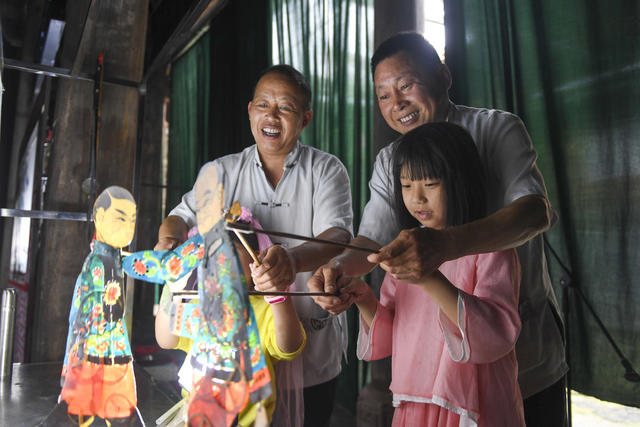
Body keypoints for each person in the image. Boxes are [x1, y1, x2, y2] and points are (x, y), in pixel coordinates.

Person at [309, 32, 567, 426]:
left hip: (525, 357)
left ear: (444, 76)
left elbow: (534, 212)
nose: (396, 105)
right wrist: (338, 271)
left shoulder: (496, 130)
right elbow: (372, 242)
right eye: (383, 95)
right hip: (436, 383)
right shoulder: (390, 159)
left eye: (406, 85)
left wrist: (445, 245)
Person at [156, 64, 353, 427]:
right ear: (250, 111)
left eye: (286, 107)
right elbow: (179, 218)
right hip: (231, 360)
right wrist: (169, 244)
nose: (272, 115)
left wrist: (290, 261)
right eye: (263, 104)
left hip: (306, 340)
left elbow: (338, 236)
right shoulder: (220, 172)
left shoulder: (326, 170)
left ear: (306, 117)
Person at [342, 122, 524, 425]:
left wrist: (427, 277)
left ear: (460, 181)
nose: (417, 198)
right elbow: (392, 332)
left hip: (473, 404)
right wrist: (363, 299)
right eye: (407, 185)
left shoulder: (491, 247)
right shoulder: (407, 245)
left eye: (430, 183)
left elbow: (496, 334)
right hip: (415, 399)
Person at [155, 205, 306, 427]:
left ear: (257, 259)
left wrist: (277, 296)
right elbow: (165, 339)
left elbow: (290, 346)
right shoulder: (198, 303)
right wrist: (173, 284)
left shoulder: (264, 309)